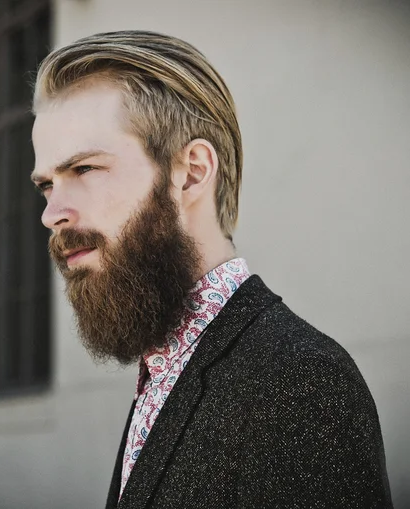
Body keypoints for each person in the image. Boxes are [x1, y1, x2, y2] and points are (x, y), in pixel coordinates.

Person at [30, 30, 393, 508]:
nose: (52, 213)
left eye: (84, 170)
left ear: (193, 172)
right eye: (46, 185)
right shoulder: (164, 365)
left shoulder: (300, 383)